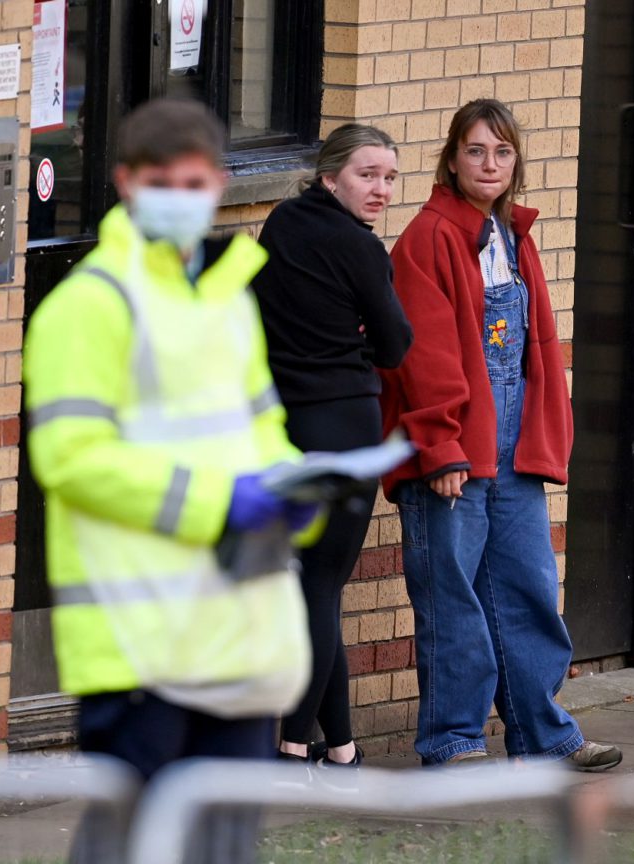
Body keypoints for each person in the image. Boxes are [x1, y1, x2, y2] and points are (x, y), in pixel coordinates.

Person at [21, 98, 315, 862]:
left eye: (194, 184)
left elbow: (261, 430)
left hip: (232, 626)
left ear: (219, 183)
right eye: (162, 183)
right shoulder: (89, 305)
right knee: (135, 843)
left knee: (223, 842)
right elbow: (71, 456)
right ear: (125, 182)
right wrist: (223, 504)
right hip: (138, 632)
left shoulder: (225, 302)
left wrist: (295, 492)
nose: (179, 199)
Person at [379, 99, 622, 771]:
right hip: (454, 450)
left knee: (527, 588)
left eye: (503, 152)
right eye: (476, 150)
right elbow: (422, 354)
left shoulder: (514, 237)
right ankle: (453, 743)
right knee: (453, 597)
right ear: (452, 159)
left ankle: (542, 736)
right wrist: (440, 447)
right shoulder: (428, 238)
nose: (490, 164)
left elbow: (535, 349)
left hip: (512, 453)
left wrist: (544, 438)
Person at [251, 123, 412, 773]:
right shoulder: (361, 249)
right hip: (345, 428)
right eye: (367, 175)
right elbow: (398, 345)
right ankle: (294, 745)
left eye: (390, 177)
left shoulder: (283, 223)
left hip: (285, 428)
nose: (380, 189)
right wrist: (361, 340)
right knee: (320, 587)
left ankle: (339, 744)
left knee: (315, 586)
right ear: (331, 177)